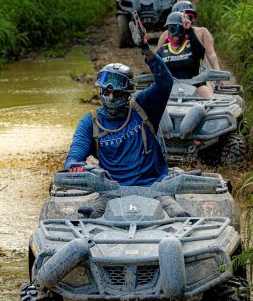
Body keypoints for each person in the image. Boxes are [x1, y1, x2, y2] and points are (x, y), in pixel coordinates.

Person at [64, 14, 188, 218]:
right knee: (91, 221)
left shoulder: (144, 106)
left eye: (118, 93)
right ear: (101, 91)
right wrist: (85, 169)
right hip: (111, 192)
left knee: (179, 217)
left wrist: (146, 49)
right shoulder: (90, 122)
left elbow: (165, 82)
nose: (112, 97)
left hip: (156, 188)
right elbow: (72, 161)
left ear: (128, 93)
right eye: (107, 92)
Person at [157, 1, 225, 90]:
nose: (186, 20)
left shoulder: (202, 32)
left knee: (205, 85)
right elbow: (159, 57)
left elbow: (211, 54)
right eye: (182, 17)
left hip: (198, 71)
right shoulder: (167, 34)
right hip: (174, 71)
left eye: (189, 16)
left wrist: (218, 74)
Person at [156, 11, 214, 98]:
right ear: (168, 30)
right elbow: (154, 67)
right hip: (169, 89)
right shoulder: (162, 51)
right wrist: (143, 46)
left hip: (195, 87)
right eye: (173, 30)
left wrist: (189, 30)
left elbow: (201, 52)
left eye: (180, 30)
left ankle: (212, 105)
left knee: (204, 90)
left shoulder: (192, 46)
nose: (176, 35)